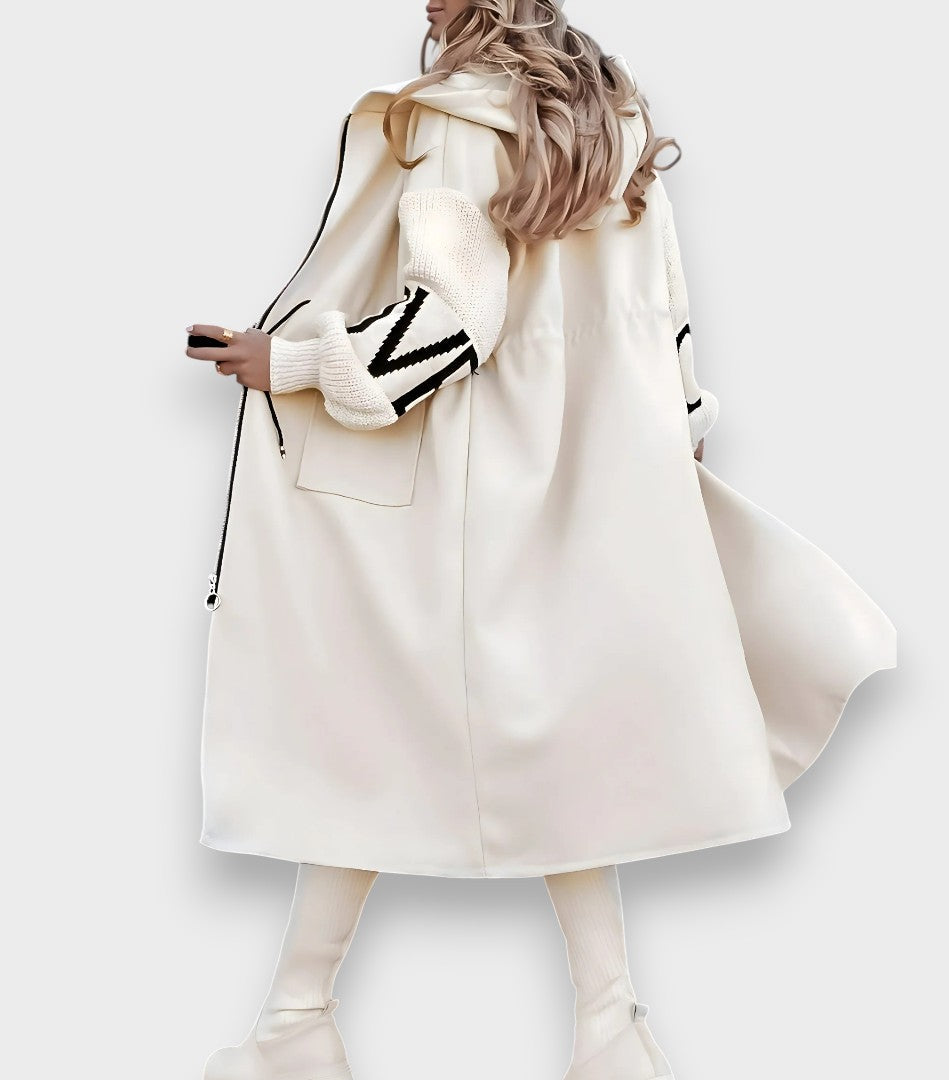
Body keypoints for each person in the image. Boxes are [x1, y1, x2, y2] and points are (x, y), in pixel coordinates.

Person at [185, 3, 897, 1079]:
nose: (423, 3)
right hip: (600, 471)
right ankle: (608, 1029)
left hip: (471, 481)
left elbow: (452, 324)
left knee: (363, 728)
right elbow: (666, 312)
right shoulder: (610, 112)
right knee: (565, 752)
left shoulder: (458, 120)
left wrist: (290, 362)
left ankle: (297, 1023)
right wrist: (680, 428)